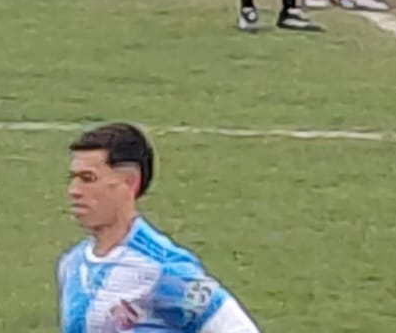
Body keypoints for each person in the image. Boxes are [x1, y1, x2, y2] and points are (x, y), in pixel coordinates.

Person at [59, 122, 261, 333]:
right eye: (73, 178)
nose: (74, 190)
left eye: (88, 179)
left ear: (129, 182)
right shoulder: (72, 263)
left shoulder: (164, 268)